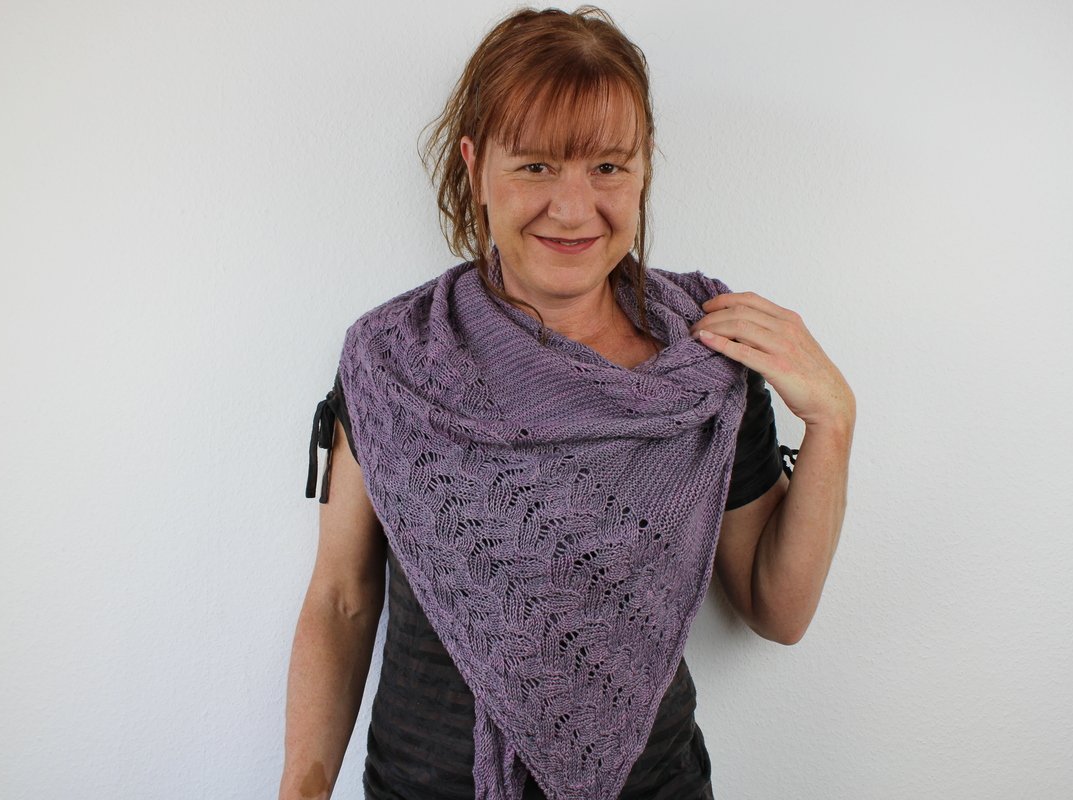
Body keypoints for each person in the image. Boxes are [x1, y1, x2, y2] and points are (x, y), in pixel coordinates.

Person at [280, 7, 854, 800]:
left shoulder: (705, 365)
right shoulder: (395, 362)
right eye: (536, 166)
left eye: (608, 167)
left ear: (643, 170)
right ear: (476, 166)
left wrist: (832, 422)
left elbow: (776, 609)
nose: (575, 207)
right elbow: (342, 601)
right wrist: (300, 790)